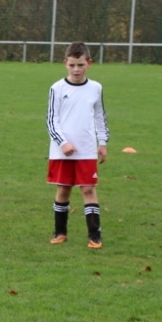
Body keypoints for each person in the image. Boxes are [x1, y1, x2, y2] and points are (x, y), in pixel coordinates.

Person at [47, 41, 109, 249]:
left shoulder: (95, 88)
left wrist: (102, 142)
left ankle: (94, 235)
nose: (76, 70)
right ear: (65, 63)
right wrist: (63, 143)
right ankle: (60, 232)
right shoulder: (57, 88)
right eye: (72, 65)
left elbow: (100, 117)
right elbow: (52, 120)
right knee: (63, 189)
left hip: (86, 149)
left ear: (89, 63)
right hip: (62, 151)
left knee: (88, 189)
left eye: (80, 65)